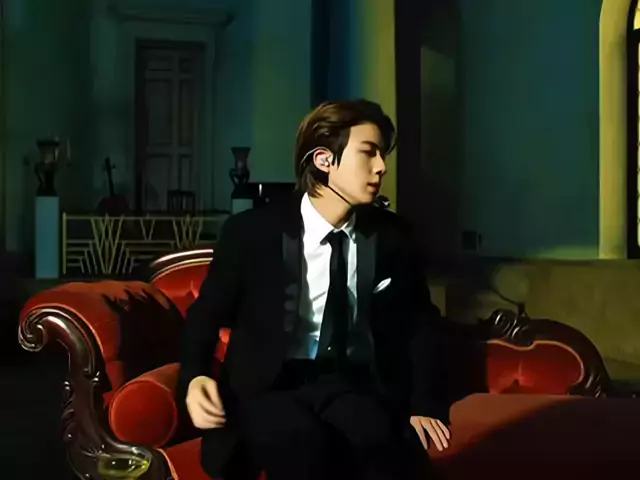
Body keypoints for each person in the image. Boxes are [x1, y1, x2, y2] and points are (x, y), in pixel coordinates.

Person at [179, 99, 452, 480]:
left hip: (351, 384)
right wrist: (196, 377)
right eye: (368, 152)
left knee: (384, 451)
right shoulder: (251, 233)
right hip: (269, 386)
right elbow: (205, 316)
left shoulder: (392, 237)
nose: (381, 167)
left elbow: (420, 325)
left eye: (383, 155)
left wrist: (424, 403)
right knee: (304, 447)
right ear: (324, 160)